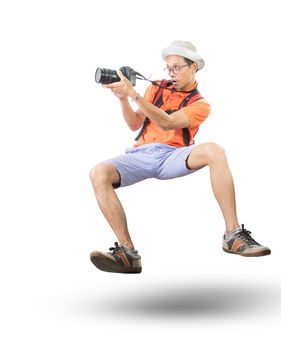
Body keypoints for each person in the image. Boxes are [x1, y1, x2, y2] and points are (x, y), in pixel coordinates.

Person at [89, 40, 271, 274]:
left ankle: (233, 235)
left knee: (214, 150)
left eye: (177, 67)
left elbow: (167, 122)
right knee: (98, 172)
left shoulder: (200, 104)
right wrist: (123, 98)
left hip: (172, 156)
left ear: (193, 66)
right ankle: (127, 254)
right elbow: (135, 123)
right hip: (141, 153)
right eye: (168, 67)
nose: (171, 73)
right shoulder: (156, 89)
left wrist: (134, 94)